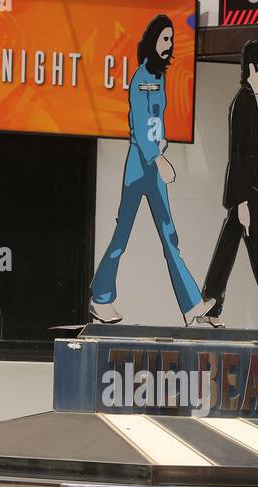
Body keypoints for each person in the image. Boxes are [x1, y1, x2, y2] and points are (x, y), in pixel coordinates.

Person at [89, 14, 214, 327]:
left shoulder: (159, 77)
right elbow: (141, 123)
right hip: (140, 165)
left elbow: (156, 122)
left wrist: (163, 144)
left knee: (169, 234)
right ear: (152, 42)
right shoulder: (142, 77)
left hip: (153, 163)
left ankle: (191, 305)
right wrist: (158, 158)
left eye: (172, 40)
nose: (169, 45)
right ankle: (101, 297)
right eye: (165, 39)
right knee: (122, 234)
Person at [198, 40, 258, 329]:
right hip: (244, 192)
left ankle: (211, 302)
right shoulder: (243, 102)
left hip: (252, 191)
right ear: (253, 66)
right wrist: (241, 201)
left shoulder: (257, 100)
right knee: (257, 251)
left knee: (233, 244)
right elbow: (237, 155)